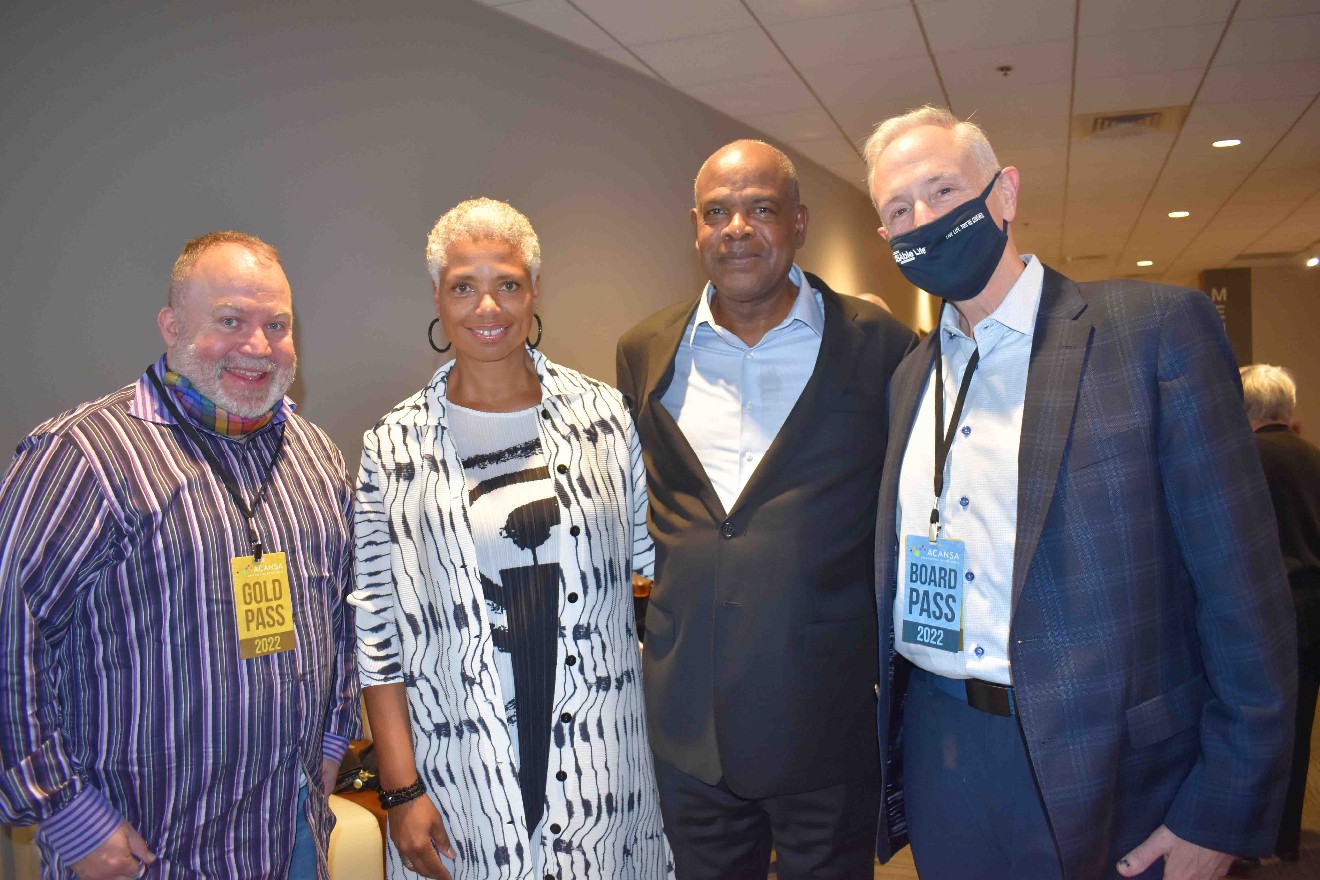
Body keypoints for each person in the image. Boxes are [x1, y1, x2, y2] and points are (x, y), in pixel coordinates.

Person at [863, 104, 1296, 880]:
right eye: (898, 211)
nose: (922, 219)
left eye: (942, 191)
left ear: (1005, 193)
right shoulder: (909, 380)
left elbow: (1244, 593)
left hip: (1115, 767)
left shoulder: (1153, 333)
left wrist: (1223, 807)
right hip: (942, 749)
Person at [0, 231, 360, 879]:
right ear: (171, 326)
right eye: (230, 320)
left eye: (276, 325)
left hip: (290, 836)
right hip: (150, 847)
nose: (258, 346)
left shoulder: (316, 456)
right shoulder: (83, 457)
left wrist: (334, 738)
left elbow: (344, 616)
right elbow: (9, 637)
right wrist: (65, 813)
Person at [616, 140, 917, 879]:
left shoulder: (879, 344)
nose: (737, 229)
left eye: (760, 208)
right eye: (717, 211)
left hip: (825, 717)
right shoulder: (645, 351)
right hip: (689, 727)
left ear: (799, 223)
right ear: (695, 228)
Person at [350, 198, 671, 880]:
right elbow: (377, 631)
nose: (487, 307)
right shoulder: (393, 446)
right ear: (437, 297)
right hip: (459, 768)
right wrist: (400, 789)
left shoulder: (604, 419)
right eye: (463, 286)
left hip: (600, 760)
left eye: (508, 284)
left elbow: (657, 563)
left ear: (534, 291)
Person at [1242, 363, 1320, 865]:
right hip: (1314, 606)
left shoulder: (1242, 462)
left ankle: (1252, 836)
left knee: (1259, 727)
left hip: (1267, 612)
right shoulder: (1314, 458)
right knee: (1302, 726)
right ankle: (1286, 838)